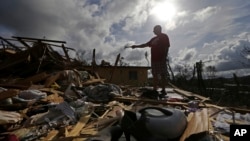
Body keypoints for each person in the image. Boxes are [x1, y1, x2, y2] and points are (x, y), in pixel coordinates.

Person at [131, 25, 170, 96]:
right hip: (154, 59)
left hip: (161, 58)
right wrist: (136, 46)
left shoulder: (164, 36)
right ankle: (155, 89)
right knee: (155, 74)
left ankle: (163, 90)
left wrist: (164, 56)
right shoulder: (153, 39)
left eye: (154, 30)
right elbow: (145, 45)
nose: (153, 31)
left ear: (159, 29)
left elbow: (166, 46)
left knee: (163, 74)